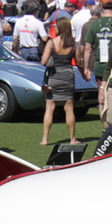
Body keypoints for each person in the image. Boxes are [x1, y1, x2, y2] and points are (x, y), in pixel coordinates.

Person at [39, 16, 79, 147]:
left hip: (54, 76)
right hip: (67, 76)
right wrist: (85, 74)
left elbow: (44, 61)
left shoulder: (51, 43)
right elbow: (80, 62)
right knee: (69, 108)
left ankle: (45, 139)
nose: (54, 28)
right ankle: (72, 138)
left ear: (61, 27)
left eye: (55, 26)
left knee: (50, 107)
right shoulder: (73, 44)